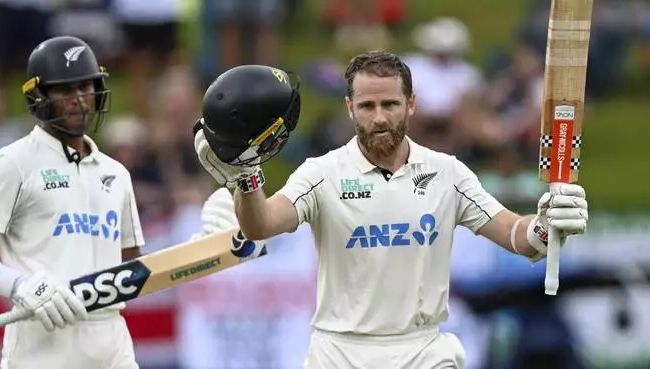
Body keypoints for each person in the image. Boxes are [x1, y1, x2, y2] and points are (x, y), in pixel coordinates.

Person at [193, 51, 589, 368]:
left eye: (390, 104)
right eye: (367, 106)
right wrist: (245, 178)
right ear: (349, 107)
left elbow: (515, 236)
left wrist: (546, 226)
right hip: (341, 352)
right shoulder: (321, 173)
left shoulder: (446, 172)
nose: (379, 118)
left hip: (422, 350)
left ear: (411, 104)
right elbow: (261, 224)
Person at [0, 36, 233, 369]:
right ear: (38, 96)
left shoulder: (116, 174)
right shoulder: (13, 162)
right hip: (42, 346)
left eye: (86, 88)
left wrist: (200, 251)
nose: (79, 100)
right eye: (65, 90)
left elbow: (130, 274)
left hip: (111, 348)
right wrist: (20, 284)